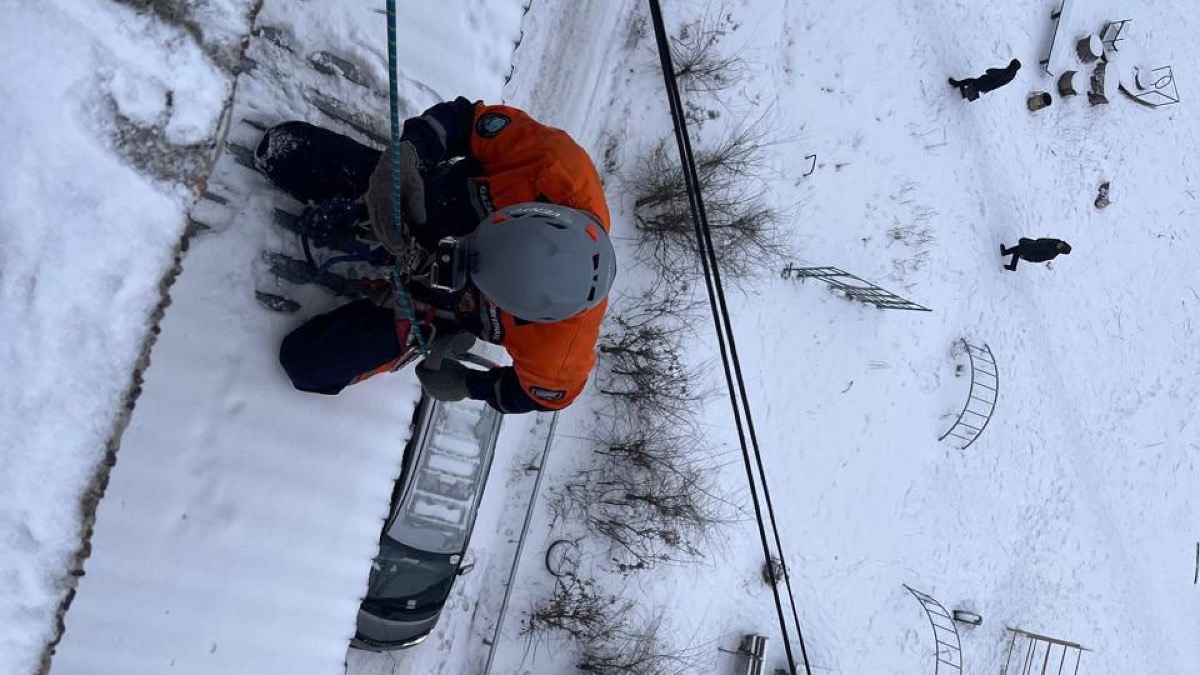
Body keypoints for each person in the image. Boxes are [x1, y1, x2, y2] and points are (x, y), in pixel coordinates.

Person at [253, 97, 618, 414]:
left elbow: (542, 397)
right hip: (426, 205)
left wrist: (469, 385)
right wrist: (409, 155)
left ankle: (412, 308)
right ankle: (374, 217)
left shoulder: (560, 354)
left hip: (443, 307)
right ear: (523, 214)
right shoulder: (552, 163)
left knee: (306, 365)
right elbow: (462, 119)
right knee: (283, 150)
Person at [949, 59, 1021, 100]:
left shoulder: (1008, 73)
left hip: (988, 82)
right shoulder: (1011, 73)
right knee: (975, 86)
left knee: (971, 81)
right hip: (989, 84)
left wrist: (991, 71)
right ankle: (965, 94)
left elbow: (998, 74)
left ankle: (956, 84)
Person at [1000, 238, 1071, 271]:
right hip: (1034, 244)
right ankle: (1005, 253)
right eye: (1061, 243)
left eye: (1061, 246)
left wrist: (1026, 256)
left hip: (1031, 252)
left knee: (1018, 251)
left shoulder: (1051, 254)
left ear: (1061, 250)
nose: (1060, 244)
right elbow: (1046, 240)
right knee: (1020, 245)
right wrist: (1037, 241)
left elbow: (1038, 258)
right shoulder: (1057, 241)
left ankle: (1012, 265)